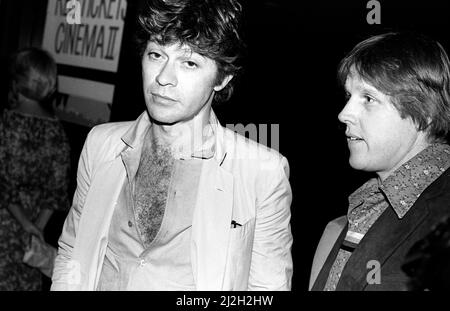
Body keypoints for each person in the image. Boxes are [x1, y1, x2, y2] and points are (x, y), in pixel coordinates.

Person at [51, 0, 293, 291]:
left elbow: (267, 290)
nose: (163, 78)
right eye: (156, 55)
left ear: (222, 78)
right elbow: (72, 251)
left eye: (189, 62)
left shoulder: (261, 171)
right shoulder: (100, 144)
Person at [309, 32, 450, 291]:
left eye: (369, 99)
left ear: (424, 112)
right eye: (348, 96)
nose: (343, 114)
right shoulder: (352, 218)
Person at [0, 47, 71, 290]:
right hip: (35, 233)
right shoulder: (57, 131)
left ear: (17, 81)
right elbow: (57, 189)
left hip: (5, 222)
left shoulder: (5, 124)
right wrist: (36, 226)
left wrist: (23, 222)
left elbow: (3, 184)